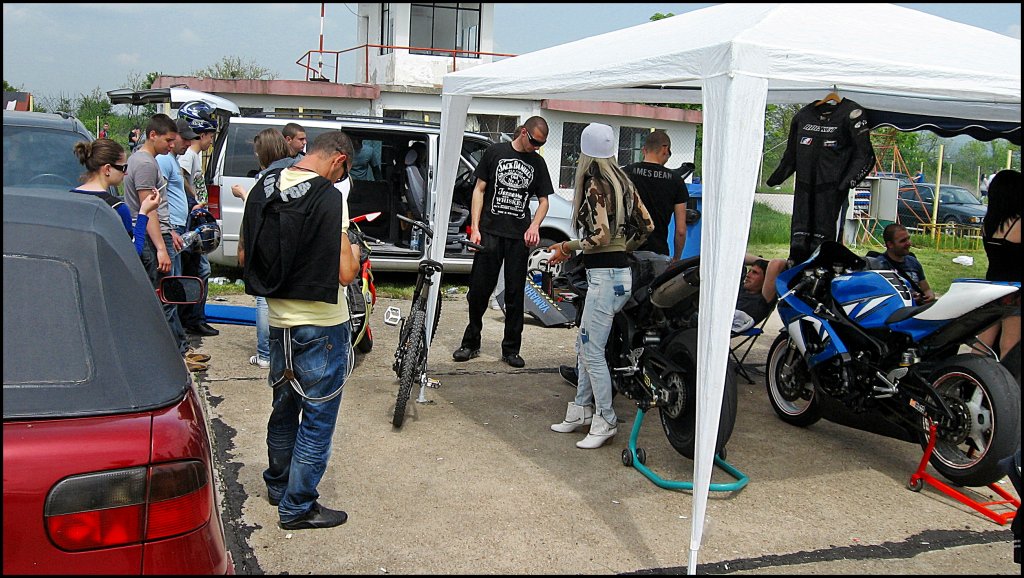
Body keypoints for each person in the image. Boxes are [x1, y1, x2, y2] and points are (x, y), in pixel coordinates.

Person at [239, 130, 360, 530]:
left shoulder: (263, 188)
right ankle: (298, 505)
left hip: (279, 323)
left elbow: (244, 254)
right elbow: (346, 273)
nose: (340, 179)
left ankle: (278, 485)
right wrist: (356, 251)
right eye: (343, 172)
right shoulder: (329, 197)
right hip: (322, 325)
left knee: (284, 409)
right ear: (339, 160)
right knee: (317, 419)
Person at [545, 122, 652, 449]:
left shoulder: (594, 183)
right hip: (618, 276)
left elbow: (601, 235)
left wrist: (568, 247)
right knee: (585, 344)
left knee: (592, 351)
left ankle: (605, 419)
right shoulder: (623, 182)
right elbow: (647, 225)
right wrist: (623, 249)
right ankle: (581, 410)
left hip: (604, 278)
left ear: (584, 152)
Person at [452, 116, 553, 368]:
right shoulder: (495, 152)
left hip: (518, 236)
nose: (537, 147)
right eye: (535, 142)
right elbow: (479, 190)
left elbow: (544, 201)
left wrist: (534, 225)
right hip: (490, 232)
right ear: (524, 132)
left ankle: (511, 349)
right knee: (478, 291)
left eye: (541, 144)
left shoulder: (538, 163)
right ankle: (471, 343)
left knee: (515, 294)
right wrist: (475, 228)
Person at [233, 128, 298, 369]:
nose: (255, 155)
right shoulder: (297, 170)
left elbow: (253, 214)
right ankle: (289, 352)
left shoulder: (265, 178)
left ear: (265, 152)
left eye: (257, 151)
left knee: (263, 300)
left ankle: (265, 354)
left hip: (267, 245)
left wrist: (244, 195)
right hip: (292, 246)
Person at [155, 118, 206, 366]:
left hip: (177, 227)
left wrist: (191, 201)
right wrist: (167, 229)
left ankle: (180, 345)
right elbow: (158, 196)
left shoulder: (173, 160)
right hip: (171, 229)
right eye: (183, 139)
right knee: (171, 291)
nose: (187, 143)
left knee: (177, 288)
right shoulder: (164, 160)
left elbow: (174, 190)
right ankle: (176, 351)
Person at [71, 138, 160, 255]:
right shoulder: (117, 208)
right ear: (107, 169)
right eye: (123, 168)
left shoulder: (70, 198)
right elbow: (133, 252)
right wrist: (143, 212)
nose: (126, 173)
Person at [176, 102, 220, 339]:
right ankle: (193, 318)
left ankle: (194, 317)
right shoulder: (189, 156)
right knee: (200, 269)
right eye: (210, 136)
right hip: (189, 220)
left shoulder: (193, 156)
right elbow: (182, 178)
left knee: (198, 269)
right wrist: (193, 200)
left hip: (193, 217)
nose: (211, 141)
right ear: (201, 134)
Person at [622, 129, 689, 259]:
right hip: (658, 254)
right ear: (665, 149)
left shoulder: (625, 173)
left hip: (627, 252)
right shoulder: (676, 181)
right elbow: (681, 230)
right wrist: (676, 258)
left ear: (644, 150)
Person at [977, 169, 1021, 361]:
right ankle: (1004, 379)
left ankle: (972, 374)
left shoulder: (989, 223)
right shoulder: (1018, 223)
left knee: (983, 343)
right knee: (1009, 345)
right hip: (1015, 290)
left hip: (992, 286)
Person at [865, 223, 935, 304]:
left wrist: (929, 295)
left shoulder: (913, 262)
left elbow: (926, 289)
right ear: (890, 244)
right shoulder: (878, 266)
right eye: (903, 241)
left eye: (908, 239)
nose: (909, 243)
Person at [732, 254, 787, 333]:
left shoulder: (763, 299)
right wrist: (761, 261)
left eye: (754, 273)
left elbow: (776, 264)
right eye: (749, 271)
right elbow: (736, 255)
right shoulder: (741, 287)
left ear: (765, 280)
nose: (748, 275)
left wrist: (767, 263)